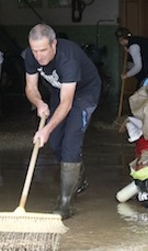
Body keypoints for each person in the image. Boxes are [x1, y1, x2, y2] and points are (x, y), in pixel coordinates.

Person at [24, 23, 101, 219]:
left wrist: (46, 129)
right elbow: (31, 87)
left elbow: (67, 104)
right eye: (35, 51)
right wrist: (39, 102)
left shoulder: (68, 58)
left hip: (84, 93)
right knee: (56, 144)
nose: (39, 56)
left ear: (54, 44)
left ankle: (65, 203)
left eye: (43, 50)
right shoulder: (30, 56)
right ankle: (79, 175)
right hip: (60, 91)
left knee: (70, 142)